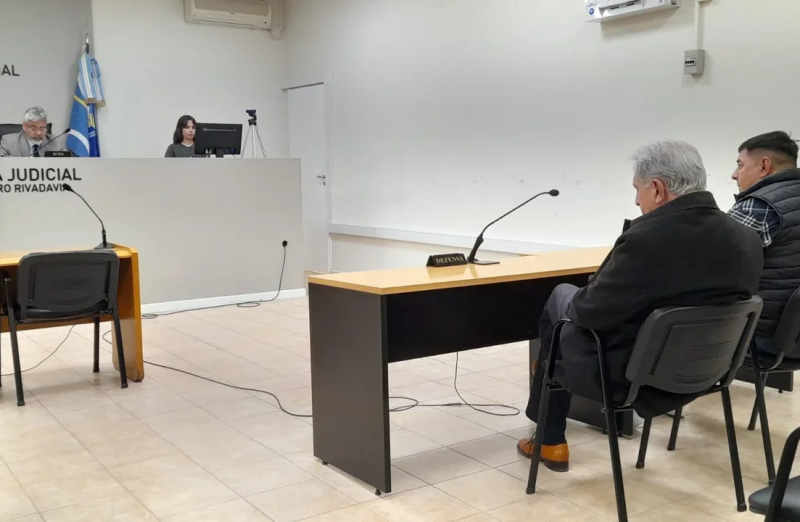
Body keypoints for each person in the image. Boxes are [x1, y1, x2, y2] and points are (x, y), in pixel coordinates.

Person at [517, 141, 763, 472]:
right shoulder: (746, 237)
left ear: (658, 189)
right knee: (566, 320)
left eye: (638, 189)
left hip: (629, 376)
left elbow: (589, 312)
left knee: (561, 297)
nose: (636, 201)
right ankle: (547, 377)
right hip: (709, 371)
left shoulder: (645, 238)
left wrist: (591, 287)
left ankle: (549, 430)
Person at [728, 131, 800, 354]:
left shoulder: (757, 206)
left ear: (764, 166)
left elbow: (710, 262)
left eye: (740, 165)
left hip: (757, 335)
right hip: (792, 337)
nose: (734, 175)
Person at [0, 106, 68, 157]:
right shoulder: (8, 142)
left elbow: (68, 162)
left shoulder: (56, 142)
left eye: (42, 128)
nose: (38, 133)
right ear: (24, 126)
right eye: (34, 129)